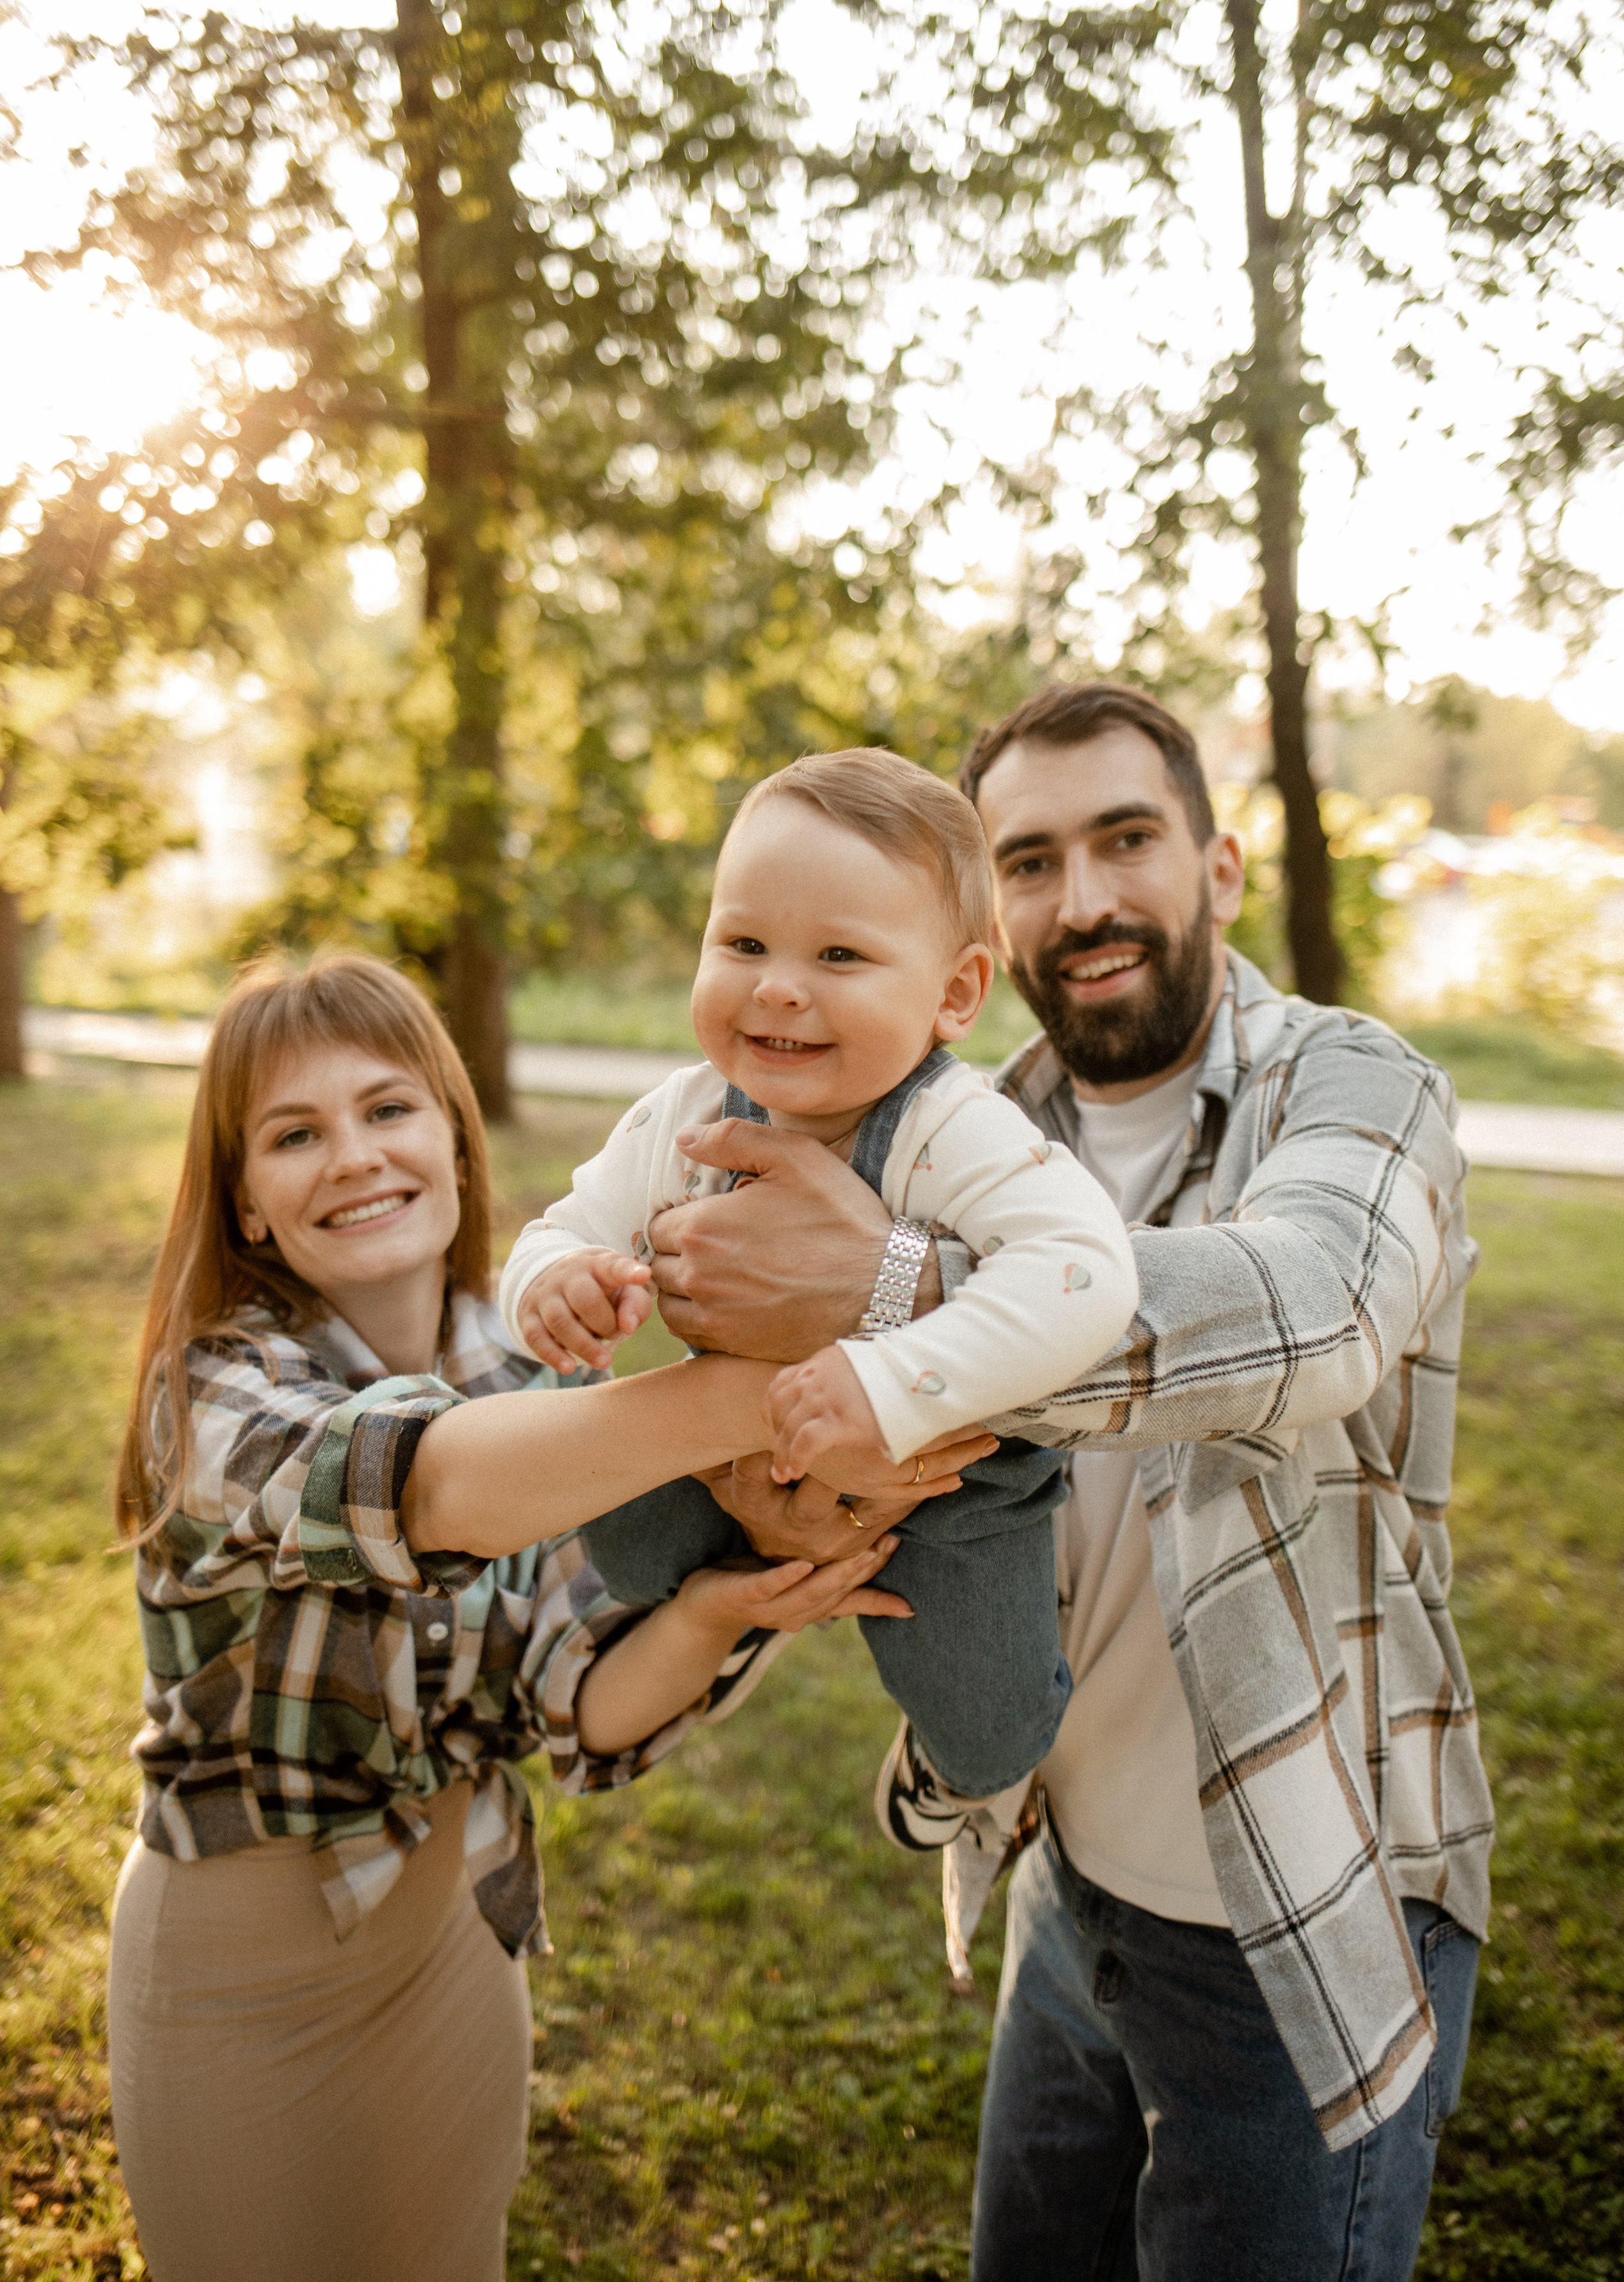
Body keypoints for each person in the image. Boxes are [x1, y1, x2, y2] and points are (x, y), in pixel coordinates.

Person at [635, 683, 1492, 2282]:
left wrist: (889, 1296)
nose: (1082, 898)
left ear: (1218, 866)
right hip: (1063, 1879)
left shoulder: (1358, 1086)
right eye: (1027, 860)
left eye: (1125, 841)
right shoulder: (959, 1122)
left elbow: (1315, 1311)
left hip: (1294, 1898)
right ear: (980, 925)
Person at [106, 952, 986, 2282]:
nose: (354, 1156)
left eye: (388, 1110)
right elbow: (426, 1484)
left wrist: (720, 1606)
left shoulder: (519, 1366)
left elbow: (571, 1701)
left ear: (454, 1139)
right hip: (238, 1962)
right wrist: (799, 1380)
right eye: (296, 1134)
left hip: (456, 1937)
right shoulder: (214, 1391)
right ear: (245, 1199)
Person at [499, 748, 1138, 1818]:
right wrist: (558, 1277)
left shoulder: (952, 1127)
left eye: (840, 954)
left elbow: (1087, 1272)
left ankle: (964, 1773)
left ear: (955, 994)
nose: (779, 985)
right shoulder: (686, 1114)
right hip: (735, 1446)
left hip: (952, 1482)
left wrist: (894, 1380)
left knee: (990, 1733)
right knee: (622, 1544)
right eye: (743, 942)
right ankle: (735, 1566)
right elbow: (563, 1225)